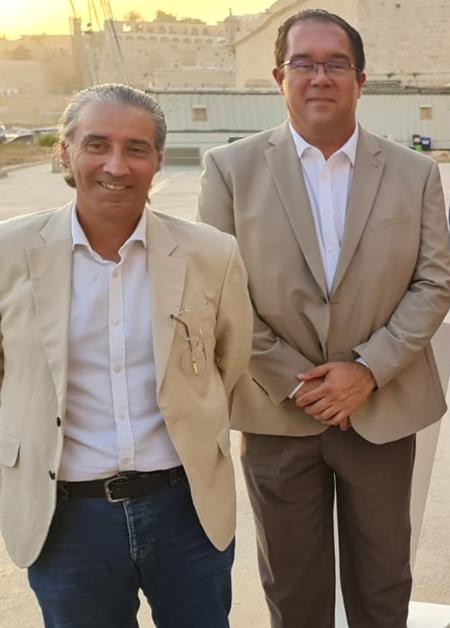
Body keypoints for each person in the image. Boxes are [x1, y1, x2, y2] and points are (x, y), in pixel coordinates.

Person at [198, 10, 450, 627]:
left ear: (360, 79)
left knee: (383, 588)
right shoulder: (230, 170)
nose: (320, 77)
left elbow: (433, 282)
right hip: (276, 414)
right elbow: (219, 295)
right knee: (294, 593)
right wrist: (300, 382)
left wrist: (366, 371)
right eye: (304, 63)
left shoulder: (414, 172)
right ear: (278, 76)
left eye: (336, 64)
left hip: (381, 410)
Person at [0, 83, 252, 627]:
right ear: (65, 152)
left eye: (136, 149)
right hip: (66, 522)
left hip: (186, 511)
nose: (116, 165)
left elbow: (229, 364)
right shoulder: (8, 252)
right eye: (97, 145)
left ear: (157, 160)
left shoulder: (212, 255)